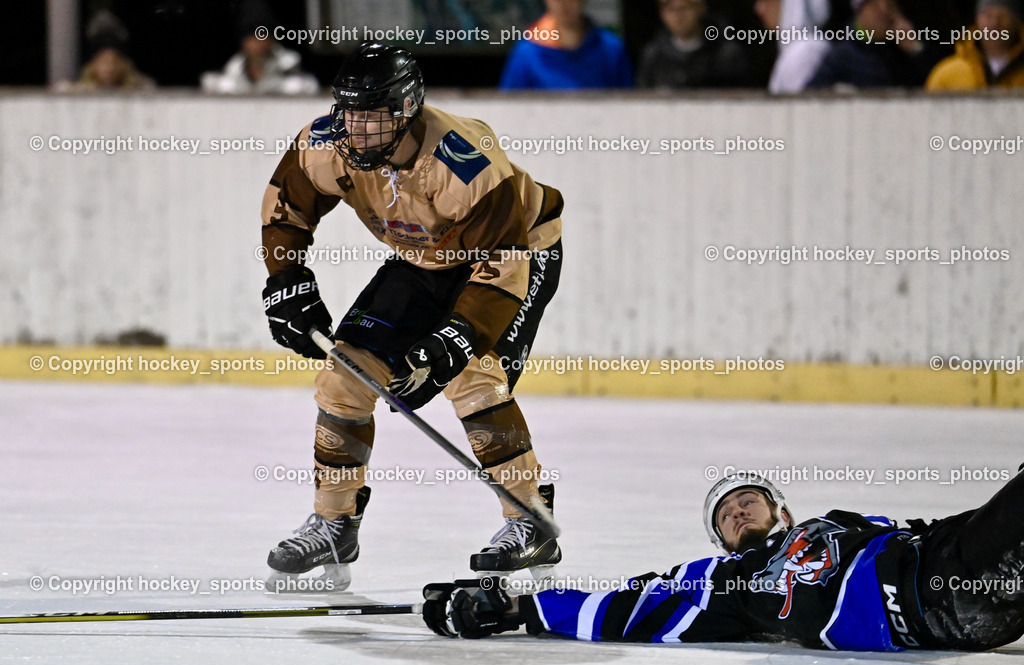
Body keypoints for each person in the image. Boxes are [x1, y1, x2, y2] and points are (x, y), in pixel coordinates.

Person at [260, 42, 564, 591]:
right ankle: (334, 521)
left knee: (474, 377)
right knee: (345, 375)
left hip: (515, 253)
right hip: (427, 256)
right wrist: (284, 279)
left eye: (373, 118)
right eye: (349, 114)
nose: (356, 131)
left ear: (406, 111)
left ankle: (530, 522)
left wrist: (455, 339)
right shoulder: (329, 143)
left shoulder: (465, 162)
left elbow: (503, 266)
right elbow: (288, 203)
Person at [423, 471, 1024, 651]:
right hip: (931, 611)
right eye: (726, 515)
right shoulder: (725, 584)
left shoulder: (836, 522)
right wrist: (513, 606)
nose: (737, 513)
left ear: (780, 513)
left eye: (748, 502)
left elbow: (930, 532)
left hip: (950, 563)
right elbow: (630, 608)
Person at [808, 0, 946, 88]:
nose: (887, 16)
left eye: (892, 8)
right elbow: (811, 96)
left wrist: (916, 49)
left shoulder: (901, 52)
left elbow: (931, 84)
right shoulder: (843, 55)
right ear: (863, 10)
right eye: (877, 7)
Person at [499, 0, 633, 89]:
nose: (563, 3)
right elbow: (509, 112)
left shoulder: (611, 50)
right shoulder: (526, 55)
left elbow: (629, 109)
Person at [638, 0, 757, 88]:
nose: (678, 16)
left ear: (701, 8)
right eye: (671, 9)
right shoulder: (654, 56)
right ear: (662, 14)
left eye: (684, 8)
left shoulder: (726, 54)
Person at [926, 0, 1024, 89]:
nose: (994, 23)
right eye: (988, 15)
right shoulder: (948, 73)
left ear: (1016, 21)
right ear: (977, 19)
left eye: (1003, 16)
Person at [59, 10, 156, 92]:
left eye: (115, 62)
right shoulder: (82, 90)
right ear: (93, 65)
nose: (110, 68)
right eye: (104, 62)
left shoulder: (139, 89)